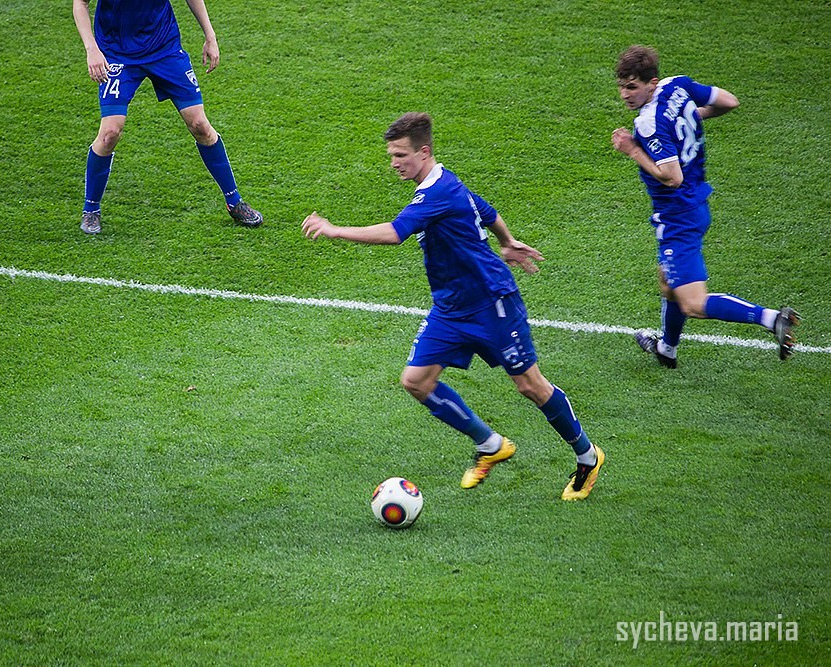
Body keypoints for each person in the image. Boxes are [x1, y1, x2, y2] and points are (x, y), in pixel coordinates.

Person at [302, 112, 605, 501]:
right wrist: (508, 241)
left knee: (530, 385)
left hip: (492, 302)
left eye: (400, 155)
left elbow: (396, 234)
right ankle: (491, 445)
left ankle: (587, 455)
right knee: (415, 381)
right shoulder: (444, 183)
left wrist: (334, 229)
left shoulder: (436, 193)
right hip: (450, 308)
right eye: (391, 155)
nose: (394, 163)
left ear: (423, 152)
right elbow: (486, 209)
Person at [611, 45, 798, 367]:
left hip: (677, 216)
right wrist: (690, 115)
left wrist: (631, 150)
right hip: (697, 204)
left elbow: (671, 177)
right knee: (667, 281)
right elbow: (728, 102)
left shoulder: (648, 123)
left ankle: (770, 319)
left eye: (632, 87)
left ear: (651, 83)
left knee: (692, 303)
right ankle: (667, 350)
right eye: (621, 86)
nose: (625, 95)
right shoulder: (677, 84)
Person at [72, 0, 263, 233]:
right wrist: (91, 48)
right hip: (116, 53)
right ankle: (91, 209)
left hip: (165, 49)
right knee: (110, 133)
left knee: (200, 125)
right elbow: (80, 3)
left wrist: (210, 36)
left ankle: (234, 202)